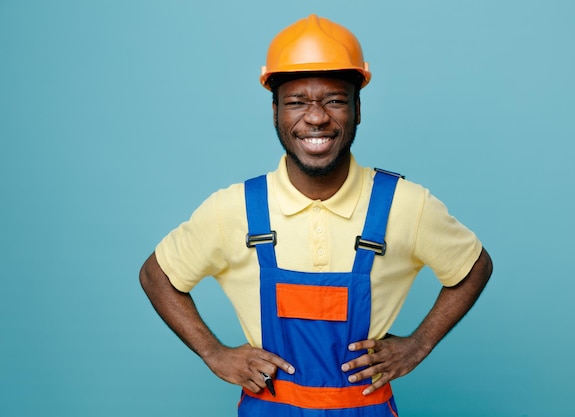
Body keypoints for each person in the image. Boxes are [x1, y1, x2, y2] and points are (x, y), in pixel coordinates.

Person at [140, 14, 493, 417]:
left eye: (335, 100)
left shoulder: (405, 205)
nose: (316, 117)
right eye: (296, 102)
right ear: (275, 111)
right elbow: (157, 275)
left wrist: (419, 344)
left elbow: (474, 266)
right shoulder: (234, 208)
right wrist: (213, 352)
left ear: (357, 109)